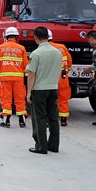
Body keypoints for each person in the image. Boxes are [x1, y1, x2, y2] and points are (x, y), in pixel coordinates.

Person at [26, 26, 63, 154]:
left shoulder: (36, 54)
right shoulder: (58, 53)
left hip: (40, 89)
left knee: (39, 117)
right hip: (53, 88)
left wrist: (29, 92)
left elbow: (31, 74)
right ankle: (53, 145)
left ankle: (41, 146)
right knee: (53, 117)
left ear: (35, 38)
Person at [0, 27, 29, 128]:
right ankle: (22, 121)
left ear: (6, 37)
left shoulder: (0, 48)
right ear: (16, 37)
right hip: (19, 79)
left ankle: (6, 121)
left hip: (5, 79)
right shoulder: (21, 48)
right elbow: (26, 66)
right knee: (20, 99)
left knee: (6, 99)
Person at [48, 29, 73, 126]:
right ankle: (63, 119)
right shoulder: (62, 47)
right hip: (63, 78)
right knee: (63, 98)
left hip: (50, 78)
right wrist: (66, 71)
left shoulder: (45, 48)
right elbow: (69, 61)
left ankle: (48, 119)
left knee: (49, 98)